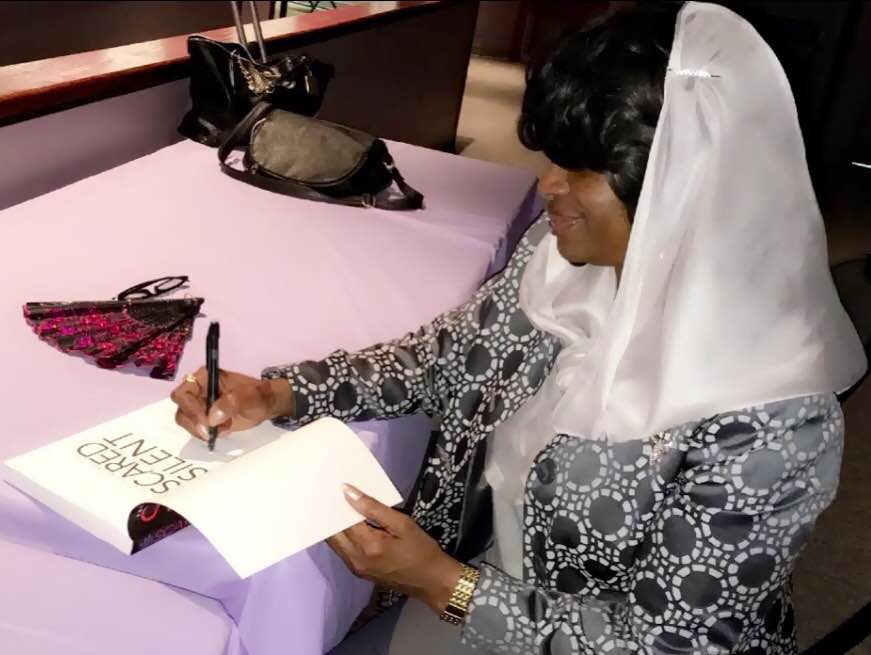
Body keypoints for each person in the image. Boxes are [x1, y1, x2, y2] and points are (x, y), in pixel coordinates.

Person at [171, 2, 867, 653]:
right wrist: (281, 393)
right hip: (474, 583)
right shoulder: (560, 260)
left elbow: (669, 642)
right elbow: (440, 361)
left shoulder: (773, 415)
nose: (547, 186)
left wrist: (446, 584)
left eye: (582, 168)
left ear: (685, 189)